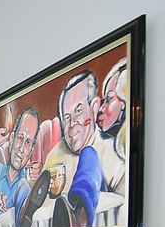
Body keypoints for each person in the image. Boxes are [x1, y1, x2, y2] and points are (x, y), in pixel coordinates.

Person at [43, 70, 126, 198]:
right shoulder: (55, 155)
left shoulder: (112, 152)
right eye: (66, 118)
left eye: (78, 111)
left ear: (94, 107)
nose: (72, 123)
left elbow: (127, 202)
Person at [0, 107, 39, 227]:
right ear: (12, 138)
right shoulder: (0, 169)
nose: (21, 148)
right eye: (20, 138)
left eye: (28, 142)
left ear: (31, 150)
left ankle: (21, 215)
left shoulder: (26, 179)